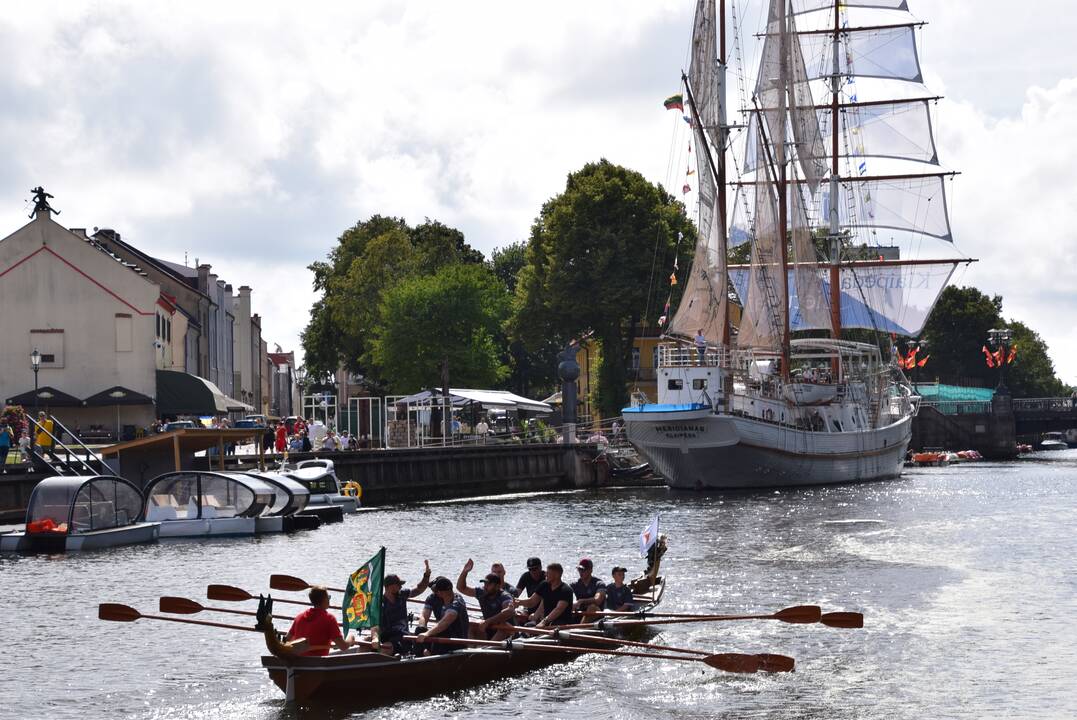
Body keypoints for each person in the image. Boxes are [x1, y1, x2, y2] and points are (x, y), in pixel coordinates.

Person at [373, 561, 431, 655]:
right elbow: (374, 625)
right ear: (390, 587)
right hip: (386, 636)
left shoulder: (402, 594)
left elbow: (419, 589)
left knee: (387, 647)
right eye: (398, 584)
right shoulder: (380, 604)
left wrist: (426, 576)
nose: (401, 586)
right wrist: (374, 637)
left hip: (403, 637)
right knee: (366, 642)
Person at [286, 586, 355, 656]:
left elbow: (287, 640)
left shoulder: (299, 617)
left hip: (299, 662)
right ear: (325, 599)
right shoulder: (329, 619)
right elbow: (343, 646)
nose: (329, 599)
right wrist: (350, 638)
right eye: (328, 597)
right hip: (318, 663)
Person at [456, 559, 515, 640]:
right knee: (471, 626)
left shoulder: (505, 596)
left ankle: (488, 650)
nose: (485, 586)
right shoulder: (482, 592)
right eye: (485, 584)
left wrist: (488, 621)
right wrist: (465, 572)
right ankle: (471, 650)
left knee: (503, 627)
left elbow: (510, 611)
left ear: (497, 586)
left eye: (489, 584)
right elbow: (461, 588)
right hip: (490, 627)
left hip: (508, 632)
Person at [416, 577, 470, 655]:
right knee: (419, 629)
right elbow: (424, 616)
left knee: (440, 633)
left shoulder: (457, 602)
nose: (436, 593)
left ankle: (428, 655)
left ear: (447, 591)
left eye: (437, 590)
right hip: (441, 632)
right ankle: (420, 655)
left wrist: (427, 634)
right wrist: (422, 628)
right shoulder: (433, 598)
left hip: (457, 638)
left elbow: (445, 622)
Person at [513, 562, 575, 627]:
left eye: (548, 573)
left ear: (556, 575)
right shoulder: (544, 585)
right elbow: (532, 601)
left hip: (561, 624)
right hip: (545, 622)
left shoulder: (566, 590)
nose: (545, 574)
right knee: (527, 626)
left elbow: (558, 609)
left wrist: (544, 622)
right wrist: (519, 602)